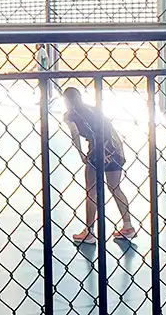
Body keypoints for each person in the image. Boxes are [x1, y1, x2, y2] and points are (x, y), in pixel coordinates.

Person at [63, 88, 136, 243]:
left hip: (97, 151)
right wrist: (113, 150)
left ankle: (89, 232)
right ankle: (128, 226)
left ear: (66, 101)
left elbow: (74, 134)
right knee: (115, 187)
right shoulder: (94, 109)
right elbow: (108, 128)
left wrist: (81, 153)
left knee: (91, 190)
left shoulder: (69, 115)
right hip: (114, 149)